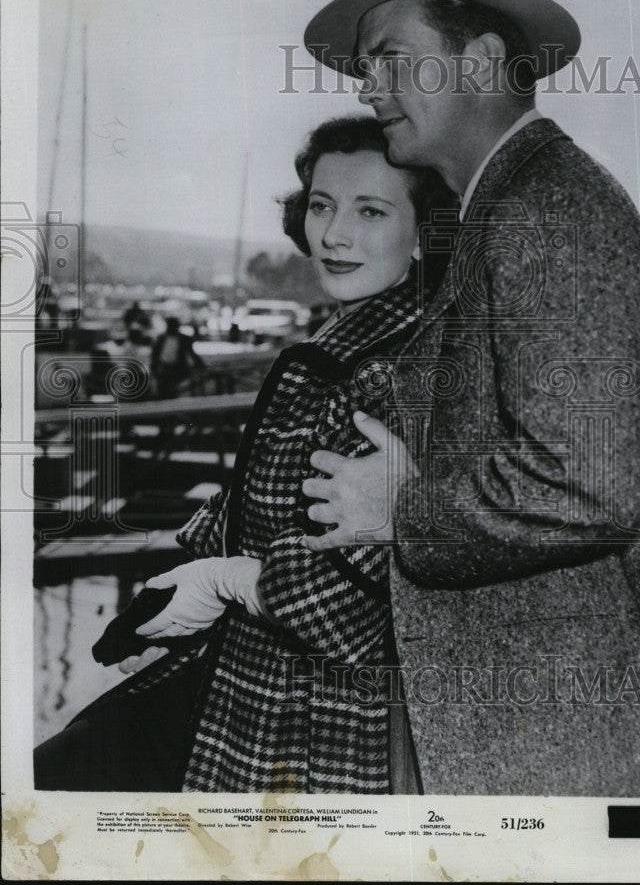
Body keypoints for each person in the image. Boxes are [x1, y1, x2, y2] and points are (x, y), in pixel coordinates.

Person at [299, 0, 640, 795]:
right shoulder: (504, 207)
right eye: (366, 66)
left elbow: (586, 481)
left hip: (550, 744)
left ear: (477, 60)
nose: (370, 87)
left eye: (392, 57)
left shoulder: (550, 212)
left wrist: (405, 509)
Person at [33, 116, 456, 793]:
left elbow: (354, 604)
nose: (336, 234)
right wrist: (183, 590)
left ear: (424, 234)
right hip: (243, 680)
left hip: (309, 723)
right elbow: (258, 507)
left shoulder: (390, 372)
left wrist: (224, 581)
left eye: (371, 211)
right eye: (322, 205)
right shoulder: (343, 341)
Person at [150, 316, 205, 399]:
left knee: (175, 392)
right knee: (161, 392)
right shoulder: (161, 338)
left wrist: (201, 366)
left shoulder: (184, 339)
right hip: (163, 369)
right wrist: (153, 368)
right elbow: (155, 355)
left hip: (178, 369)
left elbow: (191, 353)